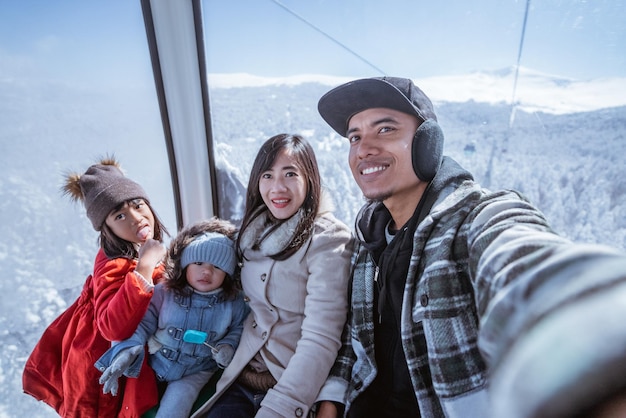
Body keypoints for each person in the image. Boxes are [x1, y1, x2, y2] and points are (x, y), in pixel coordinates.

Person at [314, 76, 626, 418]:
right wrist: (331, 400)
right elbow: (356, 337)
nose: (363, 148)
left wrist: (594, 326)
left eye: (385, 129)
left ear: (427, 142)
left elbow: (522, 263)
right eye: (354, 136)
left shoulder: (473, 221)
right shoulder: (367, 241)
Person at [191, 133, 353, 418]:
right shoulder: (252, 234)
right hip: (241, 376)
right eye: (267, 175)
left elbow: (321, 337)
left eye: (290, 174)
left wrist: (280, 406)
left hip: (291, 385)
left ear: (310, 179)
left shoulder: (327, 240)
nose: (277, 188)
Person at [22, 157, 169, 417]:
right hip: (96, 360)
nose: (136, 218)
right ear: (106, 227)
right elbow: (113, 326)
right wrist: (145, 268)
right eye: (120, 215)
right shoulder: (114, 264)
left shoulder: (141, 249)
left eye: (138, 205)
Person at [95, 218, 250, 418]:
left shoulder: (233, 303)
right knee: (130, 404)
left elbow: (239, 328)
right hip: (158, 359)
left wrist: (228, 346)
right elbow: (144, 323)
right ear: (185, 265)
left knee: (174, 410)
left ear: (228, 274)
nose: (206, 271)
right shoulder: (164, 293)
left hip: (197, 370)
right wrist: (128, 348)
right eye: (199, 262)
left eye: (217, 267)